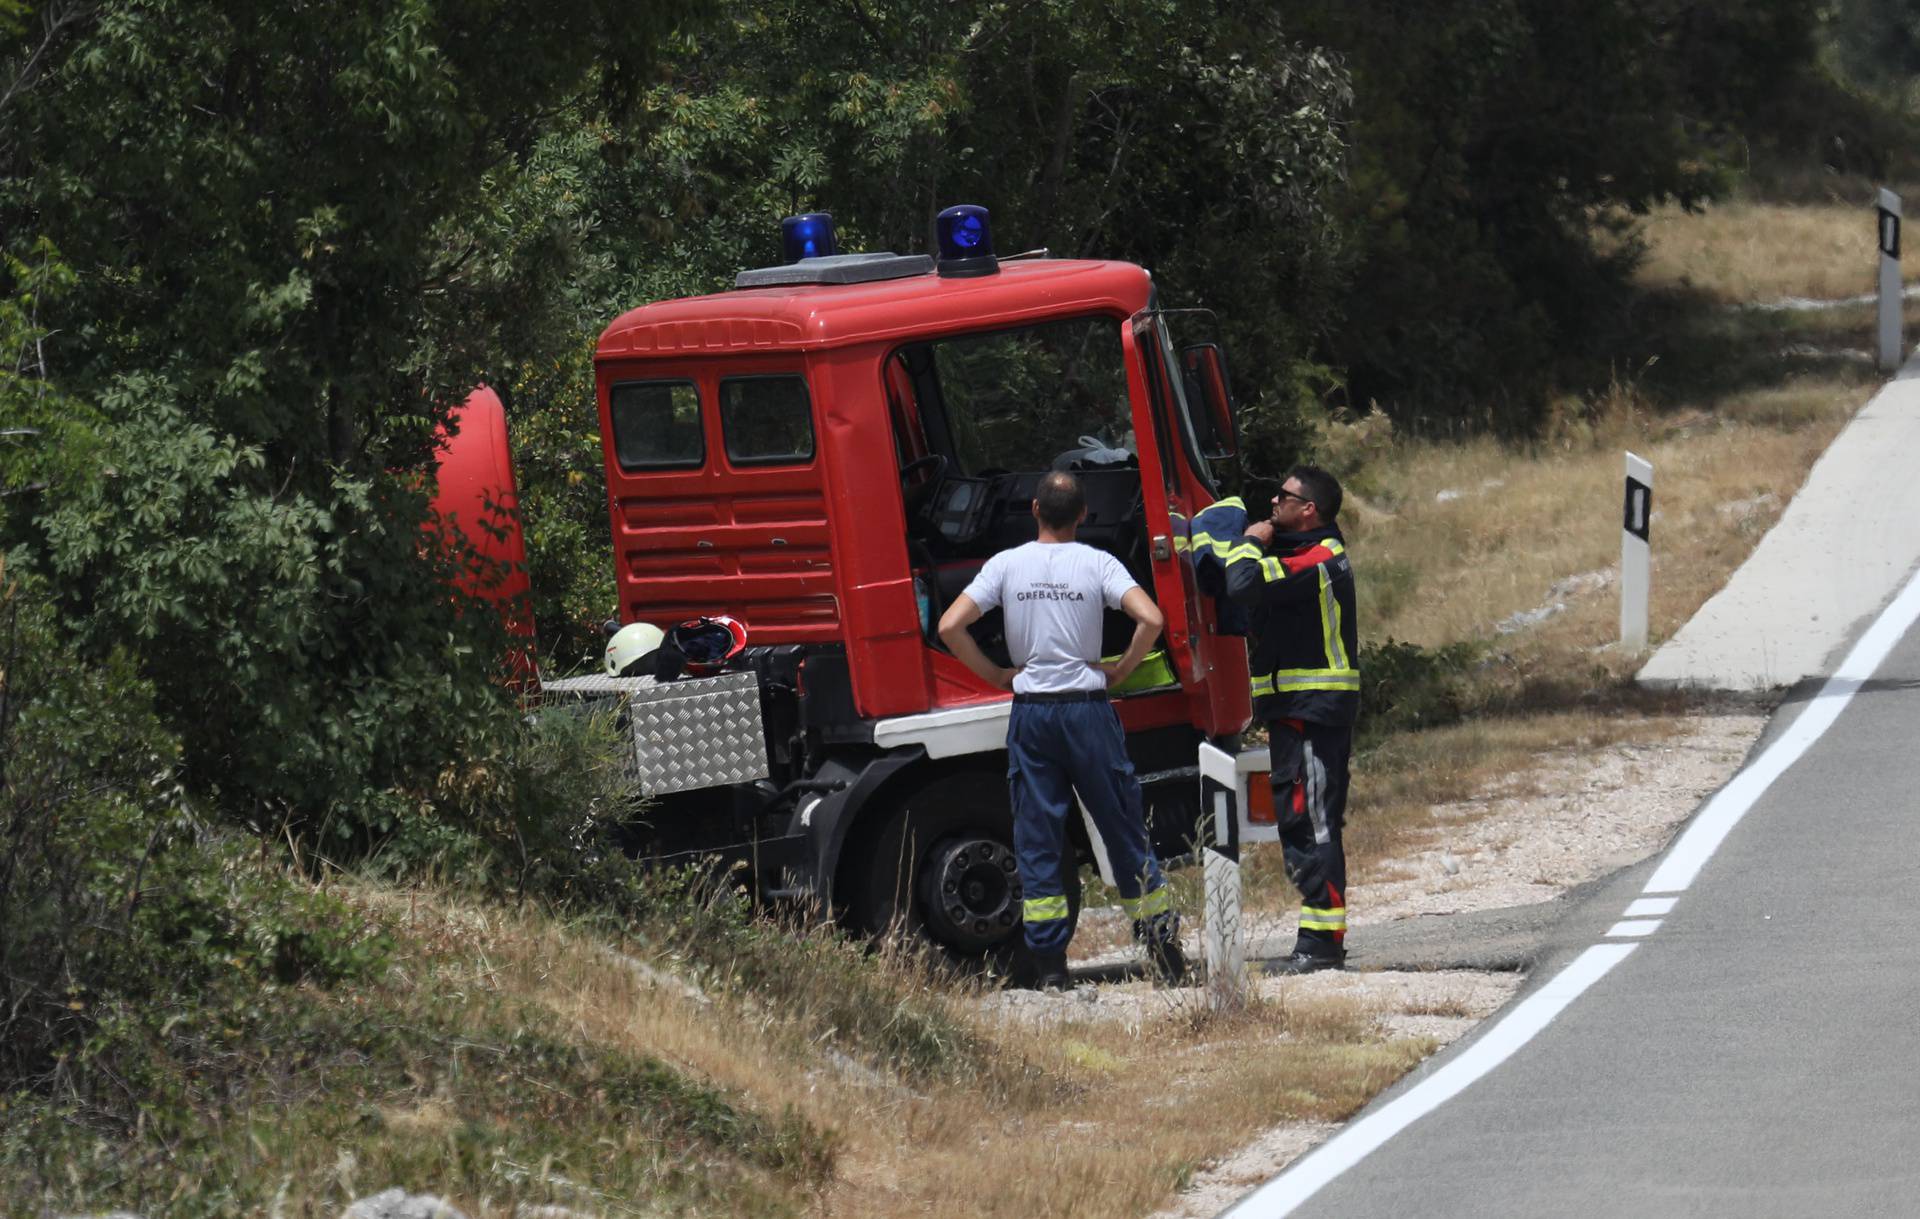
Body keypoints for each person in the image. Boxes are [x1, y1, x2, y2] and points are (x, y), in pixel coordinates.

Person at [937, 471, 1185, 989]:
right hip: (1087, 710)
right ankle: (1163, 950)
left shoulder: (1006, 565)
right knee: (1121, 826)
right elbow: (1152, 618)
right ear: (1082, 516)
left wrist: (996, 675)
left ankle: (1051, 968)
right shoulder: (1097, 562)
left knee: (1038, 836)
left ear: (1034, 510)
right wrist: (1119, 671)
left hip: (1033, 713)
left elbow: (949, 627)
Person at [1222, 464, 1359, 974]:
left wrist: (1248, 541)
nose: (1273, 503)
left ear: (1310, 510)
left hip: (1312, 708)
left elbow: (1241, 582)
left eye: (1285, 497)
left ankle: (1322, 945)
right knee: (1301, 819)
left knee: (1313, 821)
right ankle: (1319, 937)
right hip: (1296, 710)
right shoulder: (1300, 552)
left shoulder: (1320, 557)